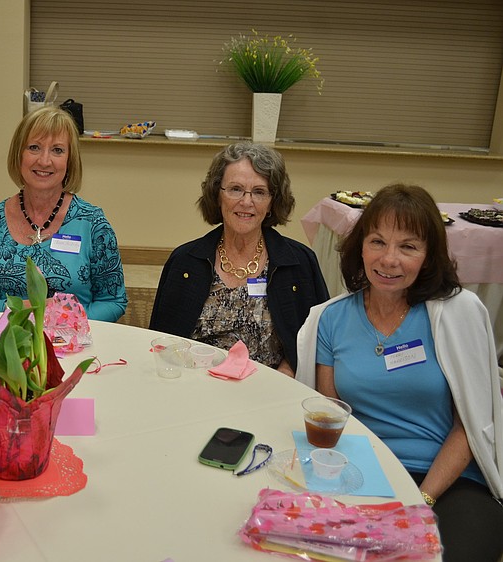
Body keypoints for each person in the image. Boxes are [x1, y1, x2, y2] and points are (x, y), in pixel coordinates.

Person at [296, 184, 503, 561]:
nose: (389, 259)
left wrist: (421, 500)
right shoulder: (330, 319)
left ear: (428, 256)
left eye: (408, 247)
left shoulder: (458, 315)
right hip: (362, 475)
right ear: (360, 246)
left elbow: (472, 425)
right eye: (378, 242)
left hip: (448, 482)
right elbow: (332, 417)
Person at [149, 142, 329, 377]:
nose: (246, 202)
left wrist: (288, 372)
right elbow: (160, 342)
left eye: (259, 192)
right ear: (217, 195)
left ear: (272, 202)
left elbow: (319, 339)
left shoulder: (298, 263)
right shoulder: (185, 262)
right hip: (196, 389)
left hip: (269, 392)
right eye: (235, 189)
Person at [0, 106, 127, 322]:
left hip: (73, 345)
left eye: (57, 150)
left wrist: (65, 318)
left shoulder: (92, 223)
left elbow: (113, 301)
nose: (44, 160)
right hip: (2, 345)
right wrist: (21, 309)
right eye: (34, 147)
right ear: (18, 155)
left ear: (70, 161)